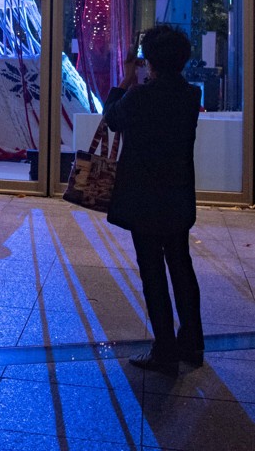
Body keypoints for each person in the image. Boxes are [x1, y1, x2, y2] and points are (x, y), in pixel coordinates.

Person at [103, 24, 204, 377]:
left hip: (145, 199)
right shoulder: (190, 96)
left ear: (150, 61)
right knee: (181, 266)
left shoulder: (141, 96)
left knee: (153, 272)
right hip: (178, 197)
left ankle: (164, 350)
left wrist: (127, 78)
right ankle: (191, 343)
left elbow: (112, 118)